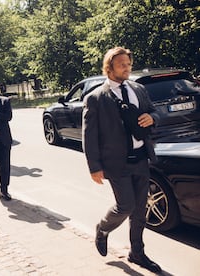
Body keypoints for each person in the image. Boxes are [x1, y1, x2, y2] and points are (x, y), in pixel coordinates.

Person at [82, 47, 162, 273]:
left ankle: (137, 252)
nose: (127, 68)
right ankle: (103, 228)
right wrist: (94, 167)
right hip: (117, 164)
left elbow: (155, 112)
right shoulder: (96, 98)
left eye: (128, 63)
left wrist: (152, 118)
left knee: (139, 210)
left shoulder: (139, 89)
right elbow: (90, 136)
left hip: (141, 158)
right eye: (122, 65)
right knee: (125, 205)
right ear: (109, 68)